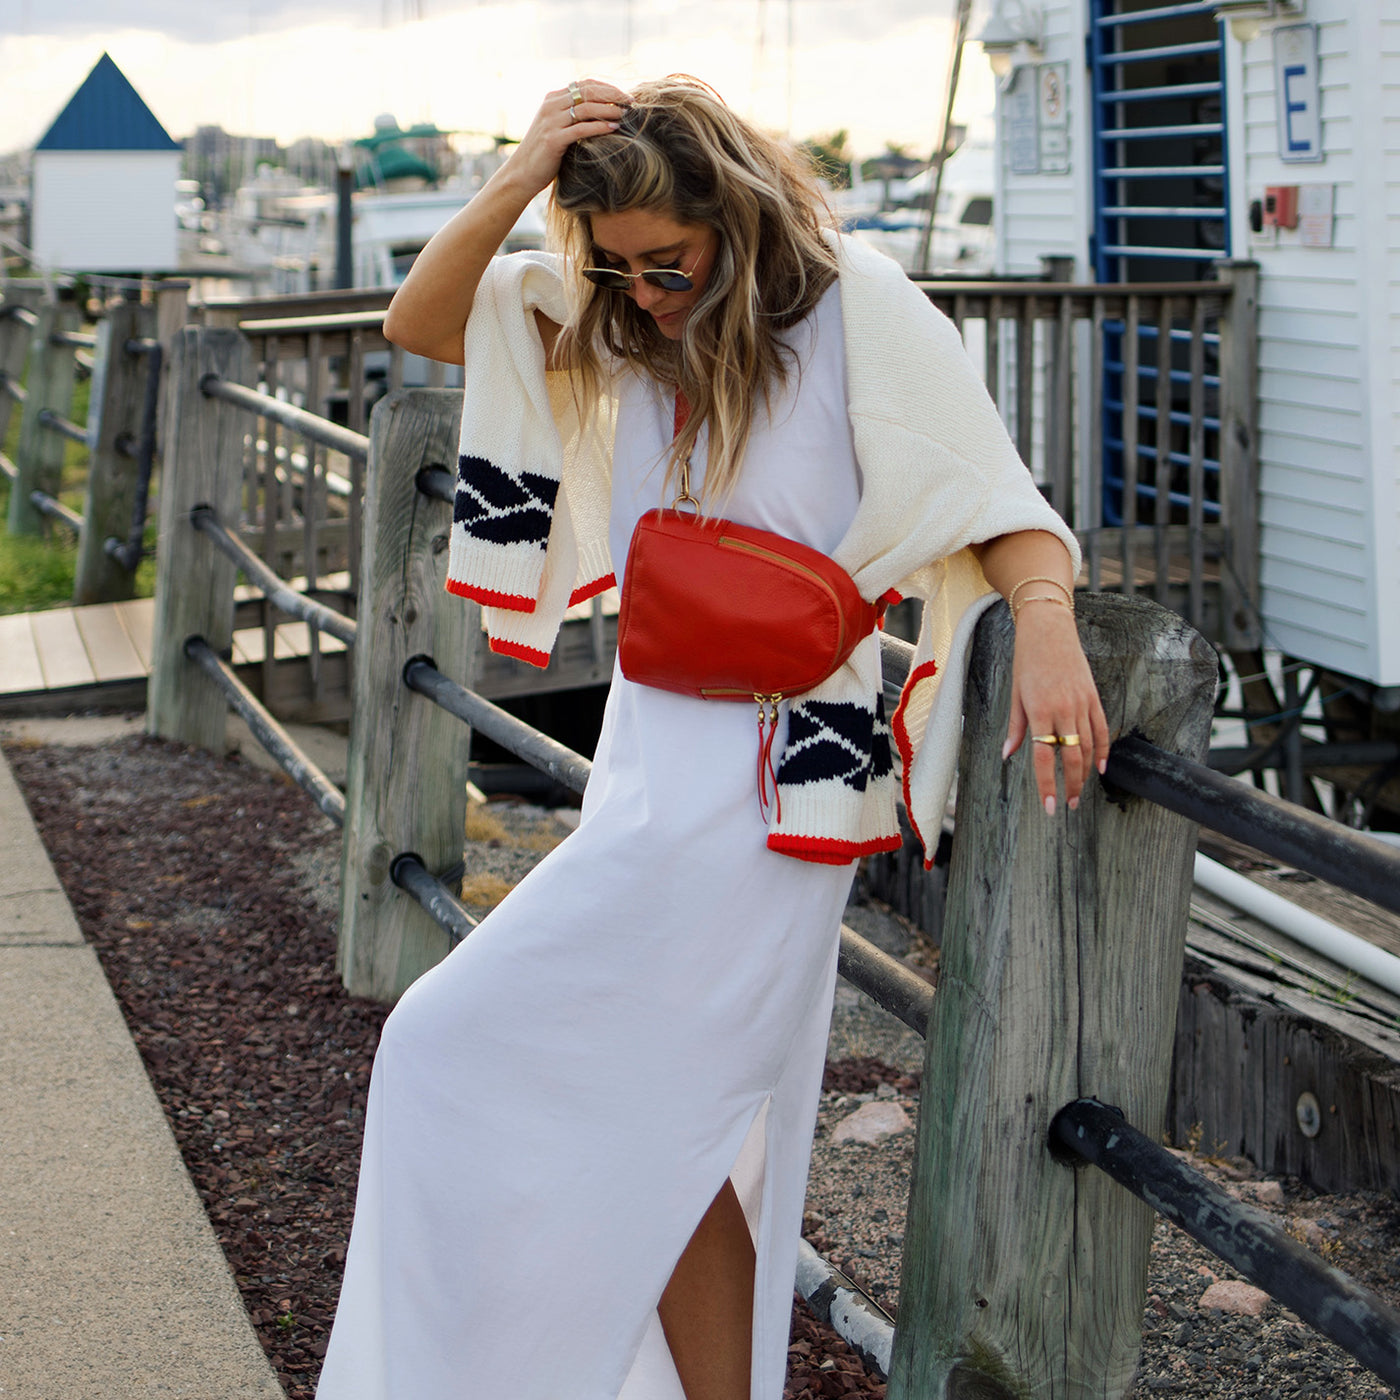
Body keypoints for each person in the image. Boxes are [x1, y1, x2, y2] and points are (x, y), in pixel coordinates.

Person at [316, 75, 1110, 1400]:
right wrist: (520, 176)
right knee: (587, 1106)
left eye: (667, 260)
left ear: (732, 216)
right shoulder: (628, 331)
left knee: (537, 1077)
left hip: (776, 795)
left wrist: (1043, 617)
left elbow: (991, 490)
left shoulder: (857, 304)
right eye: (617, 267)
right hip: (649, 769)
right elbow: (426, 320)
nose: (645, 288)